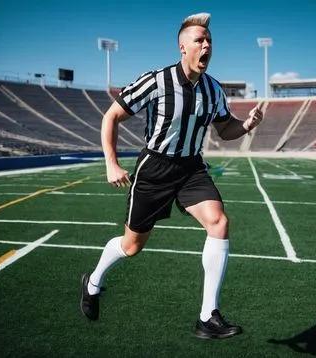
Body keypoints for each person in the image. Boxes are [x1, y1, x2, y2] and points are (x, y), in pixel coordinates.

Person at [80, 12, 263, 340]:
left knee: (219, 222)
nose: (206, 45)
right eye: (199, 40)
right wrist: (111, 163)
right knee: (132, 246)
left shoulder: (213, 89)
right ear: (182, 47)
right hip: (155, 169)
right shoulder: (155, 81)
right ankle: (92, 282)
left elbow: (226, 129)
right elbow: (111, 117)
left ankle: (208, 316)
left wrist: (247, 125)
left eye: (209, 41)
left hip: (191, 167)